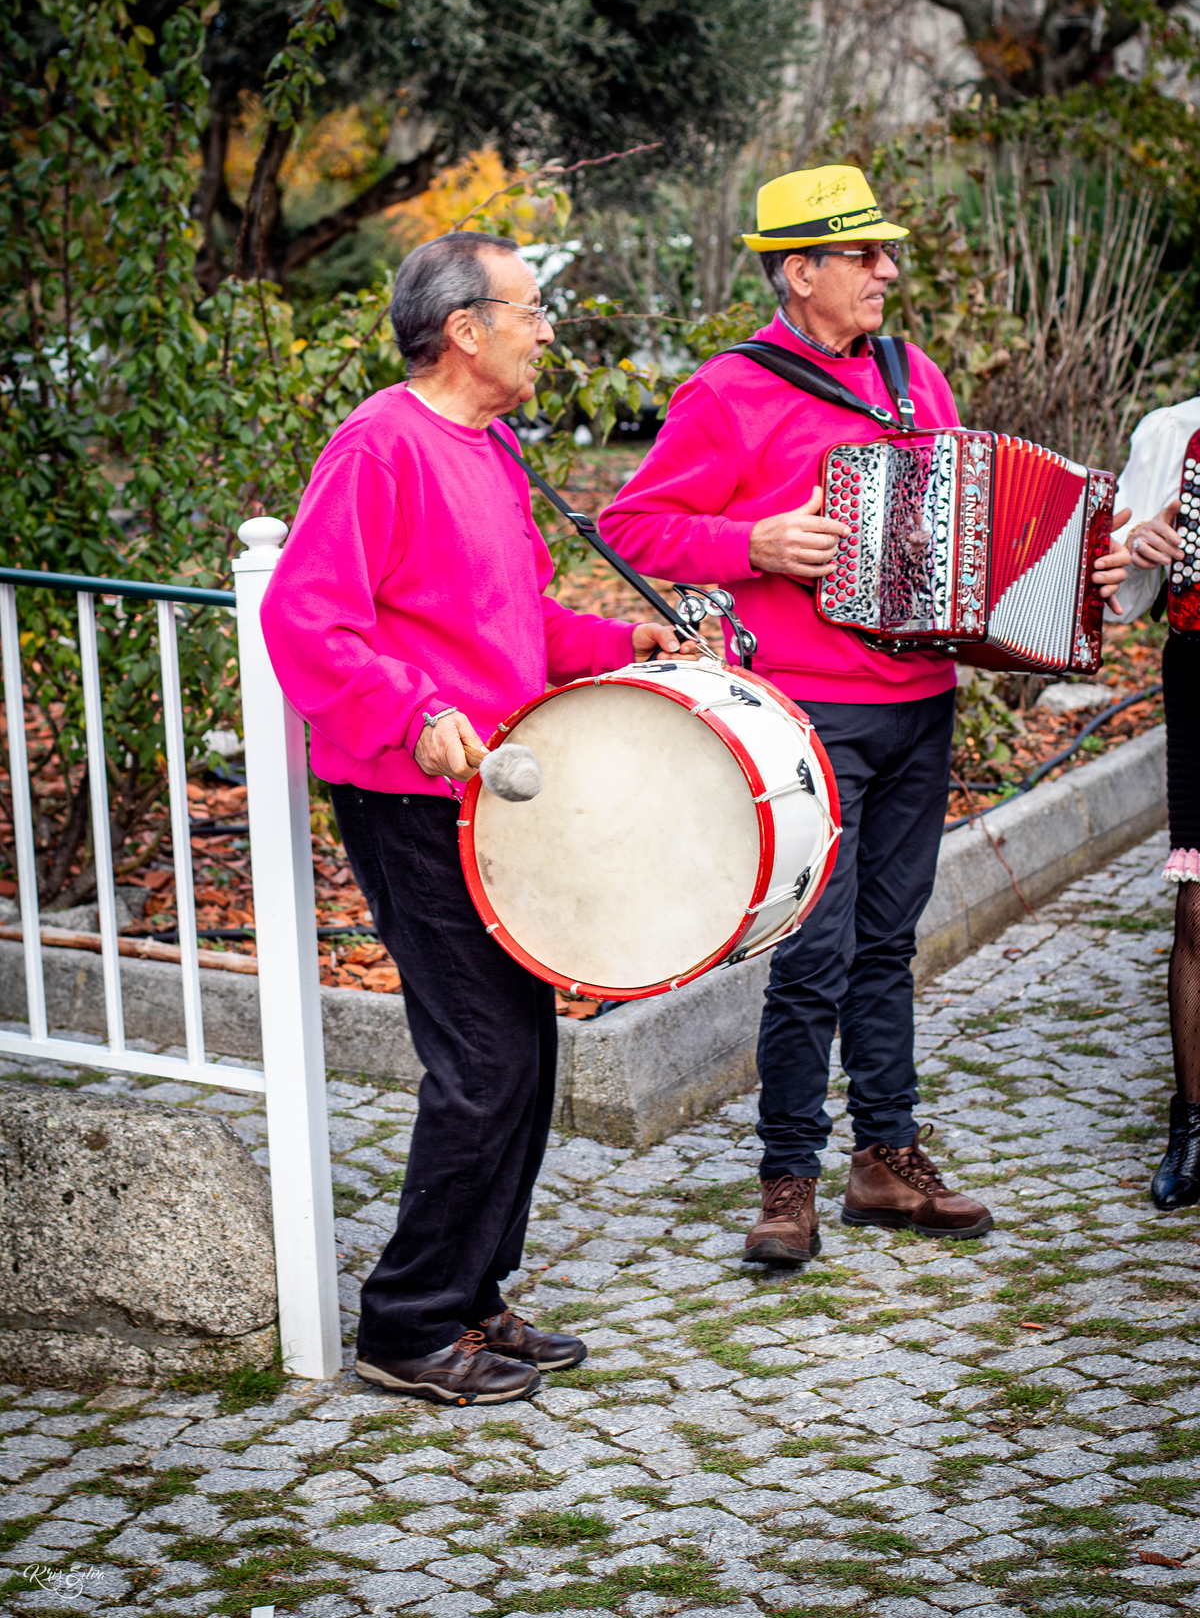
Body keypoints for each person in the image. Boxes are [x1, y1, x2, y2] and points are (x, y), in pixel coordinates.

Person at [600, 164, 1131, 1262]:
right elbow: (634, 525)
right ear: (800, 272)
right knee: (814, 953)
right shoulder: (728, 391)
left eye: (886, 253)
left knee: (888, 943)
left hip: (920, 703)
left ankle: (885, 1159)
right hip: (810, 717)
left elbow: (972, 520)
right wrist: (750, 542)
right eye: (863, 254)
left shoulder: (911, 372)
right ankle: (787, 1178)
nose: (886, 270)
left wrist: (1074, 567)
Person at [260, 230, 686, 1404]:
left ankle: (470, 1297)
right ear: (465, 329)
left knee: (525, 1054)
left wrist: (625, 641)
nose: (546, 329)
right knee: (484, 1061)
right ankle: (405, 1326)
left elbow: (520, 621)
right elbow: (306, 619)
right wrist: (414, 713)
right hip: (409, 800)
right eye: (530, 308)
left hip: (493, 797)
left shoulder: (491, 447)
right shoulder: (379, 445)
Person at [1106, 393, 1200, 1208]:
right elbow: (1121, 599)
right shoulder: (1176, 431)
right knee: (1199, 908)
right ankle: (1194, 1124)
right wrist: (1136, 545)